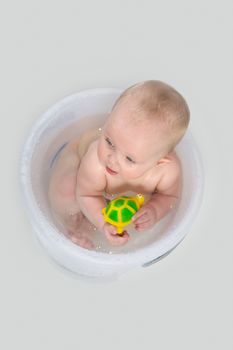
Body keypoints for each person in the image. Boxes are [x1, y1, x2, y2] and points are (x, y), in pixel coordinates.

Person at [48, 80, 190, 249]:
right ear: (108, 121)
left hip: (116, 196)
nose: (112, 159)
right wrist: (103, 224)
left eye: (129, 159)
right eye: (109, 141)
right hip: (78, 160)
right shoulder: (95, 162)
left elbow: (169, 197)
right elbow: (87, 195)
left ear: (159, 162)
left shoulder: (167, 171)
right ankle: (73, 229)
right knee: (66, 190)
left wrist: (155, 210)